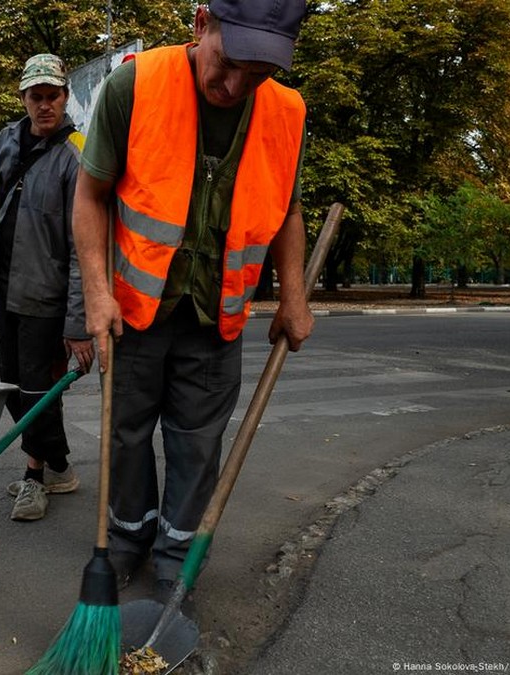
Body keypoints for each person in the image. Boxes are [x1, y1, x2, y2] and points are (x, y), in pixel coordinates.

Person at [71, 0, 313, 604]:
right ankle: (127, 542)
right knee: (126, 433)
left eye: (256, 74)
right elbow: (90, 194)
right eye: (228, 64)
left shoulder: (288, 112)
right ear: (201, 23)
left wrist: (294, 295)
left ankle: (177, 554)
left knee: (198, 443)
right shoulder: (136, 84)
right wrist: (97, 295)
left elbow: (287, 210)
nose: (235, 86)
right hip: (134, 313)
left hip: (217, 316)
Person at [0, 53, 94, 522]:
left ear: (65, 97)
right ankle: (60, 466)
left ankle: (34, 477)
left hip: (46, 297)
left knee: (35, 390)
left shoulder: (76, 155)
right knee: (13, 386)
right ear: (23, 98)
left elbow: (82, 248)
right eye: (36, 96)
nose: (44, 105)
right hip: (6, 288)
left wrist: (77, 322)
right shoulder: (6, 140)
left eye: (53, 96)